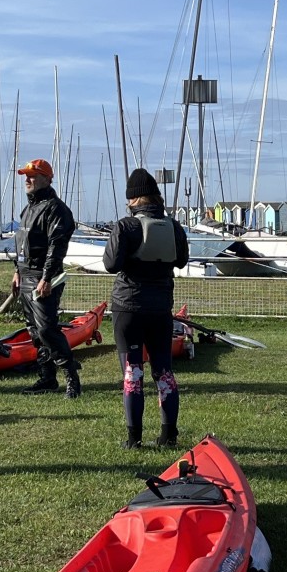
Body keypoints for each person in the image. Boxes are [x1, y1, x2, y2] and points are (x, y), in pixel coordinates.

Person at [102, 168, 190, 448]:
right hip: (160, 308)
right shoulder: (173, 226)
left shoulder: (125, 226)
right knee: (163, 371)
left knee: (133, 371)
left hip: (128, 307)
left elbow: (111, 264)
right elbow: (182, 261)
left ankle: (133, 438)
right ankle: (168, 434)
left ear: (133, 199)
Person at [10, 158, 80, 398]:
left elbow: (56, 246)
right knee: (33, 330)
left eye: (32, 175)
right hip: (26, 275)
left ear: (47, 179)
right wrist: (17, 271)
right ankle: (48, 378)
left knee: (47, 329)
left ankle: (72, 377)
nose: (27, 180)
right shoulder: (28, 209)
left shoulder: (57, 209)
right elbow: (21, 244)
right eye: (26, 176)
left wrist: (47, 277)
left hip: (44, 276)